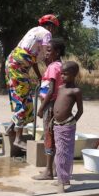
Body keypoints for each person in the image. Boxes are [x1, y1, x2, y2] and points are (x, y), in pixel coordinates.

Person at [5, 14, 60, 148]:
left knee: (24, 99)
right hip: (17, 67)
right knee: (24, 101)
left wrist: (40, 76)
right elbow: (49, 54)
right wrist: (55, 69)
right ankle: (18, 138)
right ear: (52, 26)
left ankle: (11, 128)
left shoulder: (34, 30)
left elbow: (34, 59)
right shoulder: (47, 34)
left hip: (13, 64)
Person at [33, 38, 65, 181]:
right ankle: (53, 168)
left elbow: (51, 90)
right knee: (53, 136)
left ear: (57, 52)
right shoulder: (59, 65)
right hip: (56, 104)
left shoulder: (53, 67)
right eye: (46, 51)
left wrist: (41, 108)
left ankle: (48, 172)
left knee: (49, 137)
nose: (46, 54)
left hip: (50, 105)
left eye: (49, 51)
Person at [53, 61, 83, 193]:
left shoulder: (75, 91)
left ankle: (61, 181)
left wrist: (72, 122)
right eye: (61, 74)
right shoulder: (60, 88)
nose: (63, 76)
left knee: (64, 153)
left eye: (66, 74)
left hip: (67, 125)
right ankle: (63, 178)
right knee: (59, 151)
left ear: (74, 75)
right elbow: (57, 106)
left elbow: (80, 111)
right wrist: (52, 121)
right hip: (56, 125)